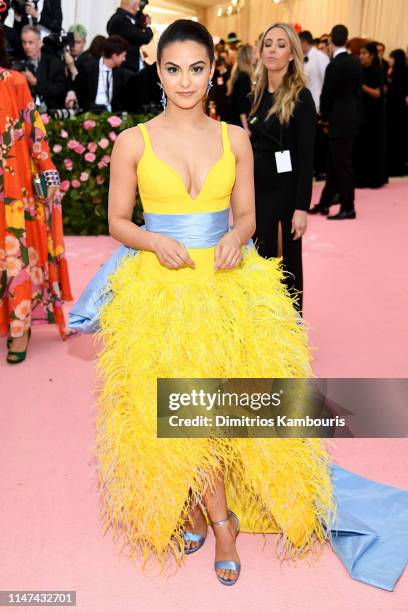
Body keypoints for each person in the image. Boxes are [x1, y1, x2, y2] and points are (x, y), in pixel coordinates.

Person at [90, 19, 336, 587]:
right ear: (158, 71)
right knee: (185, 407)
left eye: (196, 68)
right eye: (173, 68)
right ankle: (218, 518)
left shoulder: (236, 139)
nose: (185, 80)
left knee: (222, 407)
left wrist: (234, 235)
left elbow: (248, 215)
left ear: (212, 71)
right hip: (163, 288)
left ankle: (210, 510)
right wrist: (152, 239)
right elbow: (118, 221)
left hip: (228, 285)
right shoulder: (135, 141)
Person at [0, 27, 72, 363]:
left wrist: (47, 171)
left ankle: (20, 327)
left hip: (12, 190)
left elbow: (33, 131)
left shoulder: (13, 81)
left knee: (15, 257)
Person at [249, 23, 316, 314]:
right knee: (258, 259)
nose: (272, 50)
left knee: (286, 263)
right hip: (256, 191)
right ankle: (261, 327)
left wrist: (301, 207)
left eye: (280, 44)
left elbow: (306, 158)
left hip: (286, 193)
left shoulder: (302, 98)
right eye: (268, 44)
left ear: (292, 54)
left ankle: (289, 328)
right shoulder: (257, 95)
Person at [309, 25, 362, 219]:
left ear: (331, 40)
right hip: (351, 118)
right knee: (334, 163)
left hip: (338, 120)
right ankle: (325, 203)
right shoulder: (355, 63)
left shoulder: (335, 65)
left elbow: (327, 94)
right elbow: (357, 93)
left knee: (342, 166)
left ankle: (349, 207)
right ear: (346, 39)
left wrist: (323, 117)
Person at [353, 41, 388, 189]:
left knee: (372, 146)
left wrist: (361, 86)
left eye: (364, 54)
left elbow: (378, 93)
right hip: (361, 113)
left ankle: (373, 179)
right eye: (360, 53)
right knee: (361, 147)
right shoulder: (360, 70)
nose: (361, 56)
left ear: (372, 56)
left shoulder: (377, 71)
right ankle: (360, 178)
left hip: (374, 115)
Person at [73, 35, 136, 113]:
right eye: (123, 56)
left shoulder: (122, 74)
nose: (124, 59)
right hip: (90, 113)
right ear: (114, 55)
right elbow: (79, 92)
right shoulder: (88, 69)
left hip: (114, 115)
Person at [299, 30, 330, 180]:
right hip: (305, 105)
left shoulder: (321, 58)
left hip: (318, 105)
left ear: (304, 43)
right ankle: (312, 169)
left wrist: (323, 107)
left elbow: (327, 83)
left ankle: (320, 169)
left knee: (318, 141)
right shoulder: (301, 58)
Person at [20, 24, 66, 110]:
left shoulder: (54, 63)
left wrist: (36, 83)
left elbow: (60, 91)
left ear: (40, 43)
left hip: (51, 112)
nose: (27, 46)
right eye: (24, 42)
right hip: (25, 112)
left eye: (30, 42)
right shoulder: (18, 64)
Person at [107, 0, 153, 73]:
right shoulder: (120, 20)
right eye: (138, 5)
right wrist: (148, 25)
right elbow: (144, 37)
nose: (138, 7)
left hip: (131, 68)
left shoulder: (122, 19)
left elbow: (137, 26)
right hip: (126, 69)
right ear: (133, 4)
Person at [386, 49, 408, 176]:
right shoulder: (394, 71)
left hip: (396, 108)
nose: (389, 60)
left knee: (395, 137)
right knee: (397, 137)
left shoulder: (400, 72)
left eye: (391, 57)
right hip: (398, 108)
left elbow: (396, 90)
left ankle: (395, 166)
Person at [226, 43, 253, 134]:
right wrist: (246, 128)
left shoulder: (238, 74)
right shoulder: (244, 77)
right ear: (248, 57)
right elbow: (242, 104)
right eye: (253, 53)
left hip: (235, 122)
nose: (256, 56)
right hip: (240, 124)